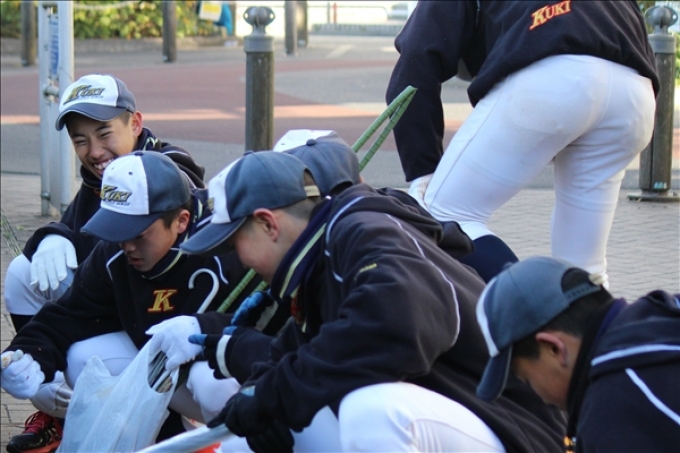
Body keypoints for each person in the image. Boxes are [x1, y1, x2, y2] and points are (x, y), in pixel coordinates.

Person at [178, 151, 565, 452]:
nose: (237, 258)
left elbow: (397, 327)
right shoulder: (321, 259)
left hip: (516, 432)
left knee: (373, 410)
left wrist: (272, 394)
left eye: (234, 243)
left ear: (268, 223)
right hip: (464, 424)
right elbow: (297, 354)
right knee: (247, 438)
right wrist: (259, 395)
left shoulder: (364, 232)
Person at [0, 152, 259, 453]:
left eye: (138, 233)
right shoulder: (115, 252)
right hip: (173, 372)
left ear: (181, 220)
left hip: (248, 377)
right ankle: (179, 444)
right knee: (84, 356)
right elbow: (69, 314)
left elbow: (276, 326)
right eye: (117, 229)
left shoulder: (229, 243)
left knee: (212, 384)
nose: (127, 246)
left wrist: (204, 328)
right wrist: (28, 353)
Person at [386, 1, 659, 284]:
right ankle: (588, 312)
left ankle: (528, 305)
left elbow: (417, 59)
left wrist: (423, 170)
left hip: (553, 71)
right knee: (583, 265)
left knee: (442, 216)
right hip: (635, 95)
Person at [2, 73, 206, 452]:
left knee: (89, 358)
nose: (94, 151)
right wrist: (32, 355)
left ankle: (182, 436)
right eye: (80, 140)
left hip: (180, 333)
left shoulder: (168, 170)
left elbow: (113, 242)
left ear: (135, 123)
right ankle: (60, 410)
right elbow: (89, 253)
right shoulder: (98, 179)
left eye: (104, 133)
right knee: (23, 276)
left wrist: (60, 235)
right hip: (125, 313)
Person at [475, 256, 680, 452]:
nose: (542, 399)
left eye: (527, 380)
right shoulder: (663, 313)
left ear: (554, 349)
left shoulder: (611, 416)